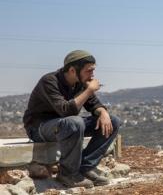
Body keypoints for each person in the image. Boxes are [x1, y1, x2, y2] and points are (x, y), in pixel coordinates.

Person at [23, 50, 121, 188]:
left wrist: (103, 112)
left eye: (93, 70)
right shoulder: (49, 81)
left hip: (66, 125)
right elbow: (65, 111)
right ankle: (68, 174)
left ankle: (85, 167)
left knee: (113, 121)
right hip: (40, 128)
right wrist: (89, 90)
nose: (92, 75)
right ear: (73, 70)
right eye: (89, 71)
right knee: (74, 122)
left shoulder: (80, 83)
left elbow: (94, 104)